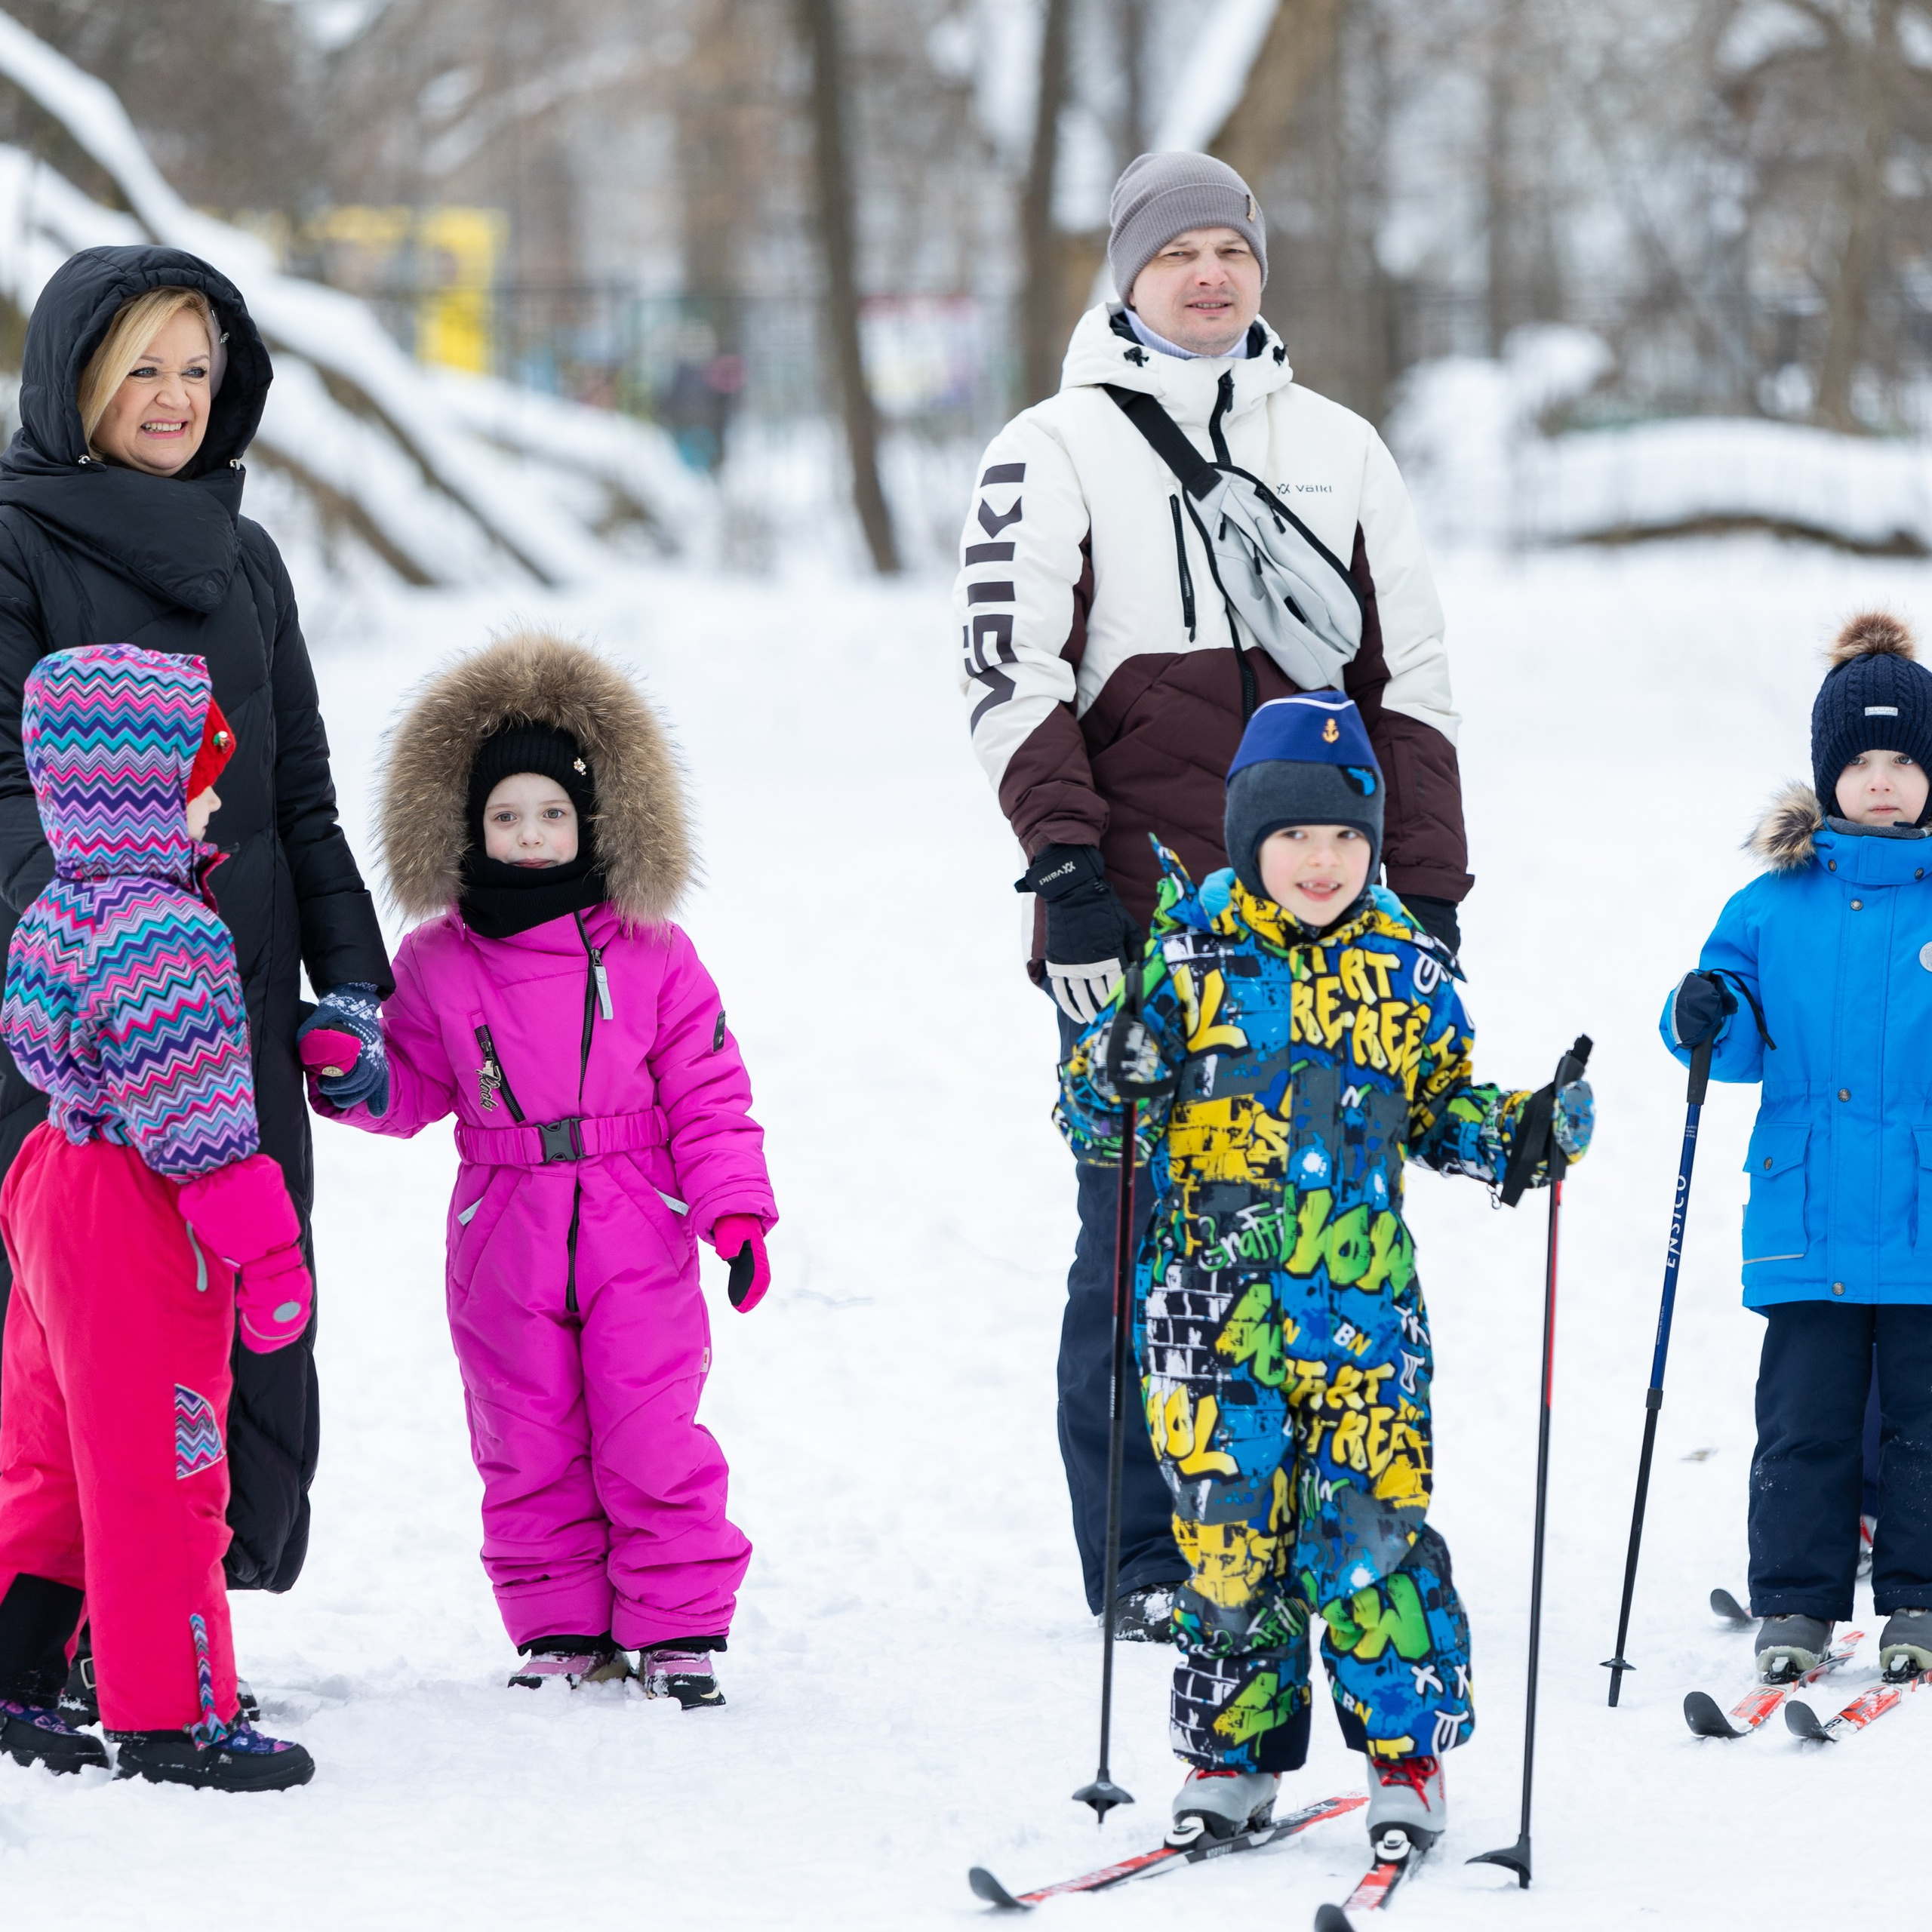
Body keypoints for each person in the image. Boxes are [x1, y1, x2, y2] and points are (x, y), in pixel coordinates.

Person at [955, 152, 1471, 1638]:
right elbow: (1006, 675)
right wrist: (1066, 869)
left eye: (1230, 250)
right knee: (1137, 1230)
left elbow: (1411, 682)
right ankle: (1141, 1551)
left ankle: (1298, 1525)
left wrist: (1427, 895)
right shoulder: (1047, 449)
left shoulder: (1340, 448)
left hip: (1326, 928)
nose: (1207, 275)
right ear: (1125, 274)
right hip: (1135, 918)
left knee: (1313, 1232)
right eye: (1174, 251)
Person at [1057, 691, 1589, 1850]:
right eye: (1295, 833)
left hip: (1363, 1313)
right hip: (1211, 1319)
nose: (1322, 859)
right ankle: (1231, 1756)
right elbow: (1099, 1122)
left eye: (1347, 835)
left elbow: (1438, 1109)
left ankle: (1405, 1758)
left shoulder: (1404, 969)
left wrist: (1521, 1134)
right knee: (1229, 1539)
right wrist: (1114, 1068)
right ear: (1248, 834)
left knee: (1369, 1534)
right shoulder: (1186, 960)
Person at [0, 247, 392, 1618]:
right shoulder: (14, 543)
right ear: (76, 381)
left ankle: (192, 1600)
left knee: (245, 1292)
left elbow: (301, 799)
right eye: (143, 370)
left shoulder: (248, 560)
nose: (175, 398)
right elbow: (5, 788)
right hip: (85, 1040)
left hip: (246, 1010)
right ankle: (71, 1619)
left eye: (197, 369)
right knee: (92, 1333)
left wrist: (353, 985)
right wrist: (117, 931)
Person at [303, 631, 775, 1705]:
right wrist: (359, 1076)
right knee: (526, 1431)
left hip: (634, 1215)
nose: (528, 836)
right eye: (505, 817)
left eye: (552, 814)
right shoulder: (438, 958)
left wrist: (735, 1212)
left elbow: (709, 1092)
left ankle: (677, 1622)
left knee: (650, 1425)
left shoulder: (651, 951)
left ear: (595, 821)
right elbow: (417, 1085)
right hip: (502, 1226)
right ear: (467, 827)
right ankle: (561, 1622)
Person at [0, 645, 314, 1788]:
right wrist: (271, 1257)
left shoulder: (55, 908)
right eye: (198, 782)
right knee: (163, 1468)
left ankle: (18, 1670)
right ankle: (173, 1717)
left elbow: (35, 1041)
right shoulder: (168, 934)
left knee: (52, 1452)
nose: (214, 803)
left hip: (52, 1181)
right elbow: (202, 1127)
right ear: (138, 792)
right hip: (141, 1208)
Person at [1663, 611, 1932, 1686]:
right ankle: (1795, 1603)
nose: (1881, 782)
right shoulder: (1772, 905)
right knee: (1803, 1426)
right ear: (1827, 775)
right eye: (1859, 763)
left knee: (1924, 1428)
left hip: (1922, 1223)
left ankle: (1918, 1598)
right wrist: (1702, 1011)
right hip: (1807, 1216)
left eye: (1903, 761)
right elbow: (1727, 1033)